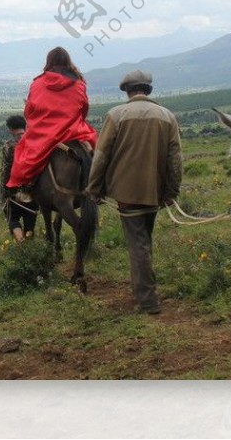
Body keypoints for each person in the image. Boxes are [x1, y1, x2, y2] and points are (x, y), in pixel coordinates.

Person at [85, 69, 183, 315]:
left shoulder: (116, 115)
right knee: (144, 240)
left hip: (127, 192)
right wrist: (171, 191)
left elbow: (101, 156)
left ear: (127, 91)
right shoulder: (167, 116)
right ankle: (146, 289)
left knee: (138, 244)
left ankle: (148, 300)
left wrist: (94, 188)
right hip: (156, 191)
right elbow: (175, 159)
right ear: (148, 90)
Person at [7, 47, 98, 193]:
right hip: (72, 130)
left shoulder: (37, 83)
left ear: (48, 62)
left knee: (23, 154)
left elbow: (29, 111)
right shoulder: (79, 83)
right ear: (68, 61)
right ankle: (101, 185)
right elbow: (84, 108)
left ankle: (26, 189)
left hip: (45, 132)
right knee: (97, 148)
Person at [0, 115, 36, 241]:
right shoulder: (34, 143)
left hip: (13, 191)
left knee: (12, 218)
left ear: (10, 129)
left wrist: (4, 191)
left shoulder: (8, 146)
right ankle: (28, 246)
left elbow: (5, 171)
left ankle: (20, 241)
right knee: (30, 223)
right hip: (32, 191)